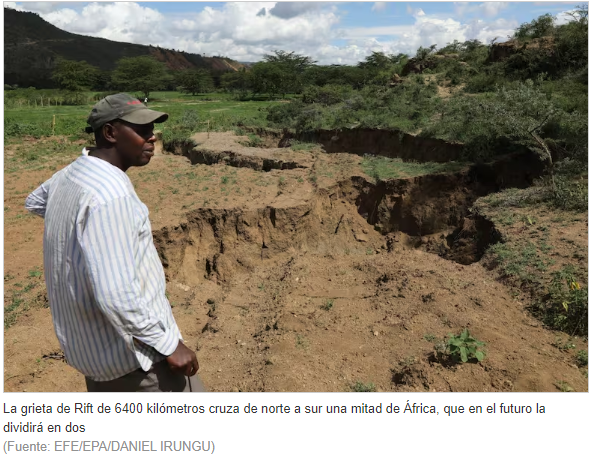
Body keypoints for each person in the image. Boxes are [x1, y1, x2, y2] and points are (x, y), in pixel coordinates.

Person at [25, 93, 205, 392]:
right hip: (137, 360)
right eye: (142, 131)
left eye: (152, 130)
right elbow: (117, 293)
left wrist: (79, 229)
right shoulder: (111, 196)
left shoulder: (72, 174)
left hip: (93, 353)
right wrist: (169, 345)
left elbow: (35, 201)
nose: (151, 139)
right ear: (110, 133)